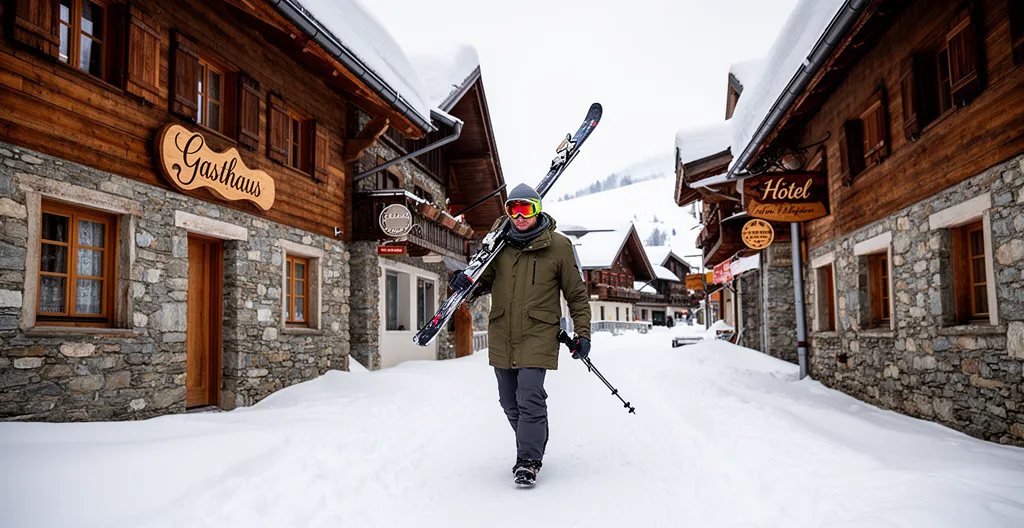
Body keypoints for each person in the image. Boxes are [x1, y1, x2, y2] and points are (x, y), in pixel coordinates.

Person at [449, 183, 592, 486]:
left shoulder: (559, 245)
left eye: (525, 208)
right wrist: (464, 282)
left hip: (539, 331)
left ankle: (527, 460)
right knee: (508, 401)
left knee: (529, 395)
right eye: (512, 209)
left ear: (537, 209)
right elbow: (483, 281)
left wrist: (583, 333)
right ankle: (534, 437)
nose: (519, 216)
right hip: (503, 331)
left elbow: (577, 295)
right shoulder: (499, 246)